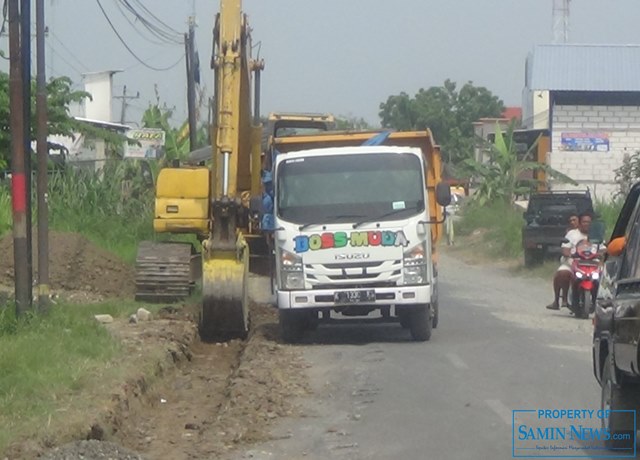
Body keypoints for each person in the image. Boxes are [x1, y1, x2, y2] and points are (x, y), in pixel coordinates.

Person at [546, 212, 592, 311]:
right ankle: (558, 301)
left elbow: (603, 247)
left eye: (588, 222)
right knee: (562, 273)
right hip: (572, 263)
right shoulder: (572, 234)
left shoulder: (595, 235)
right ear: (579, 222)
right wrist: (569, 254)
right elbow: (565, 248)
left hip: (590, 265)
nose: (586, 224)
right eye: (584, 221)